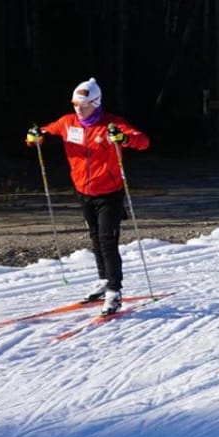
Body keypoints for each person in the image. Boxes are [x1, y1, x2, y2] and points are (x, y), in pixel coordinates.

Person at [28, 78, 149, 315]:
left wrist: (124, 139)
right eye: (75, 104)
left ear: (96, 103)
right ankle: (104, 281)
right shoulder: (68, 122)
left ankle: (115, 291)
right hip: (84, 192)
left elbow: (143, 141)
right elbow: (44, 131)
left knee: (107, 240)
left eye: (83, 104)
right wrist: (35, 136)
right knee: (95, 238)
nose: (78, 109)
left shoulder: (111, 124)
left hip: (109, 194)